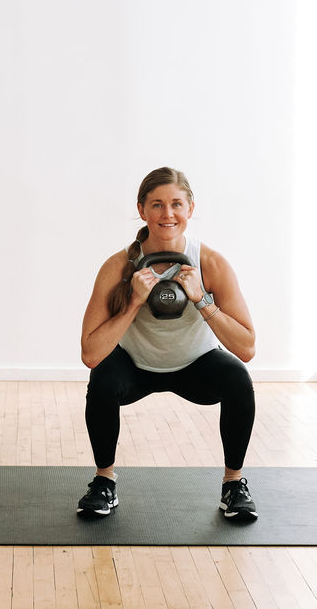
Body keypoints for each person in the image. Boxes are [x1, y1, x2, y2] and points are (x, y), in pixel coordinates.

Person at [78, 167, 257, 520]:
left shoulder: (211, 264)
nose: (167, 214)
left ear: (190, 208)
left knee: (237, 377)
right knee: (103, 377)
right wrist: (132, 303)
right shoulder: (118, 267)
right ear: (142, 210)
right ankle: (104, 482)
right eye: (157, 205)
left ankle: (233, 485)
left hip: (195, 364)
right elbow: (90, 352)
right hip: (135, 365)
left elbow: (247, 348)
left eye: (176, 204)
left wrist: (202, 299)